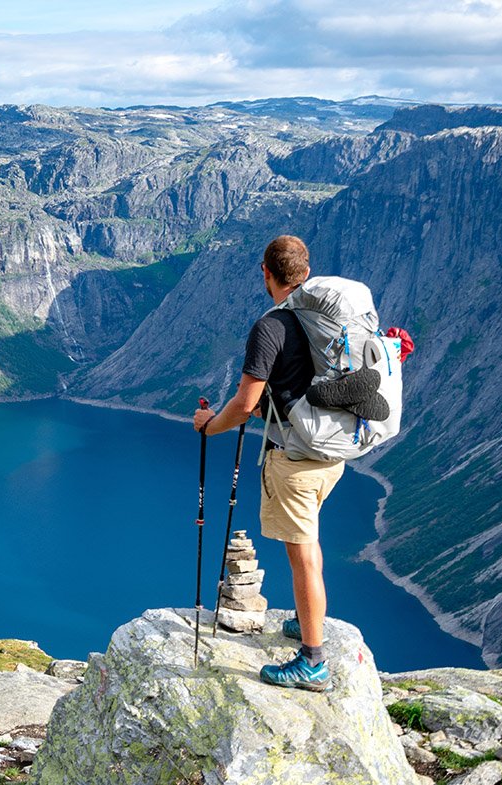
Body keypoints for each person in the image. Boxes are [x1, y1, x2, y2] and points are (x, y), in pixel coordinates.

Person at [193, 234, 344, 692]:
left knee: (302, 556)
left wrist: (209, 426)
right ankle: (306, 619)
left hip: (296, 462)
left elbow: (244, 404)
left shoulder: (272, 327)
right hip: (332, 453)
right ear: (305, 272)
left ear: (266, 272)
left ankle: (313, 661)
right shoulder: (326, 318)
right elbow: (295, 392)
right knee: (310, 544)